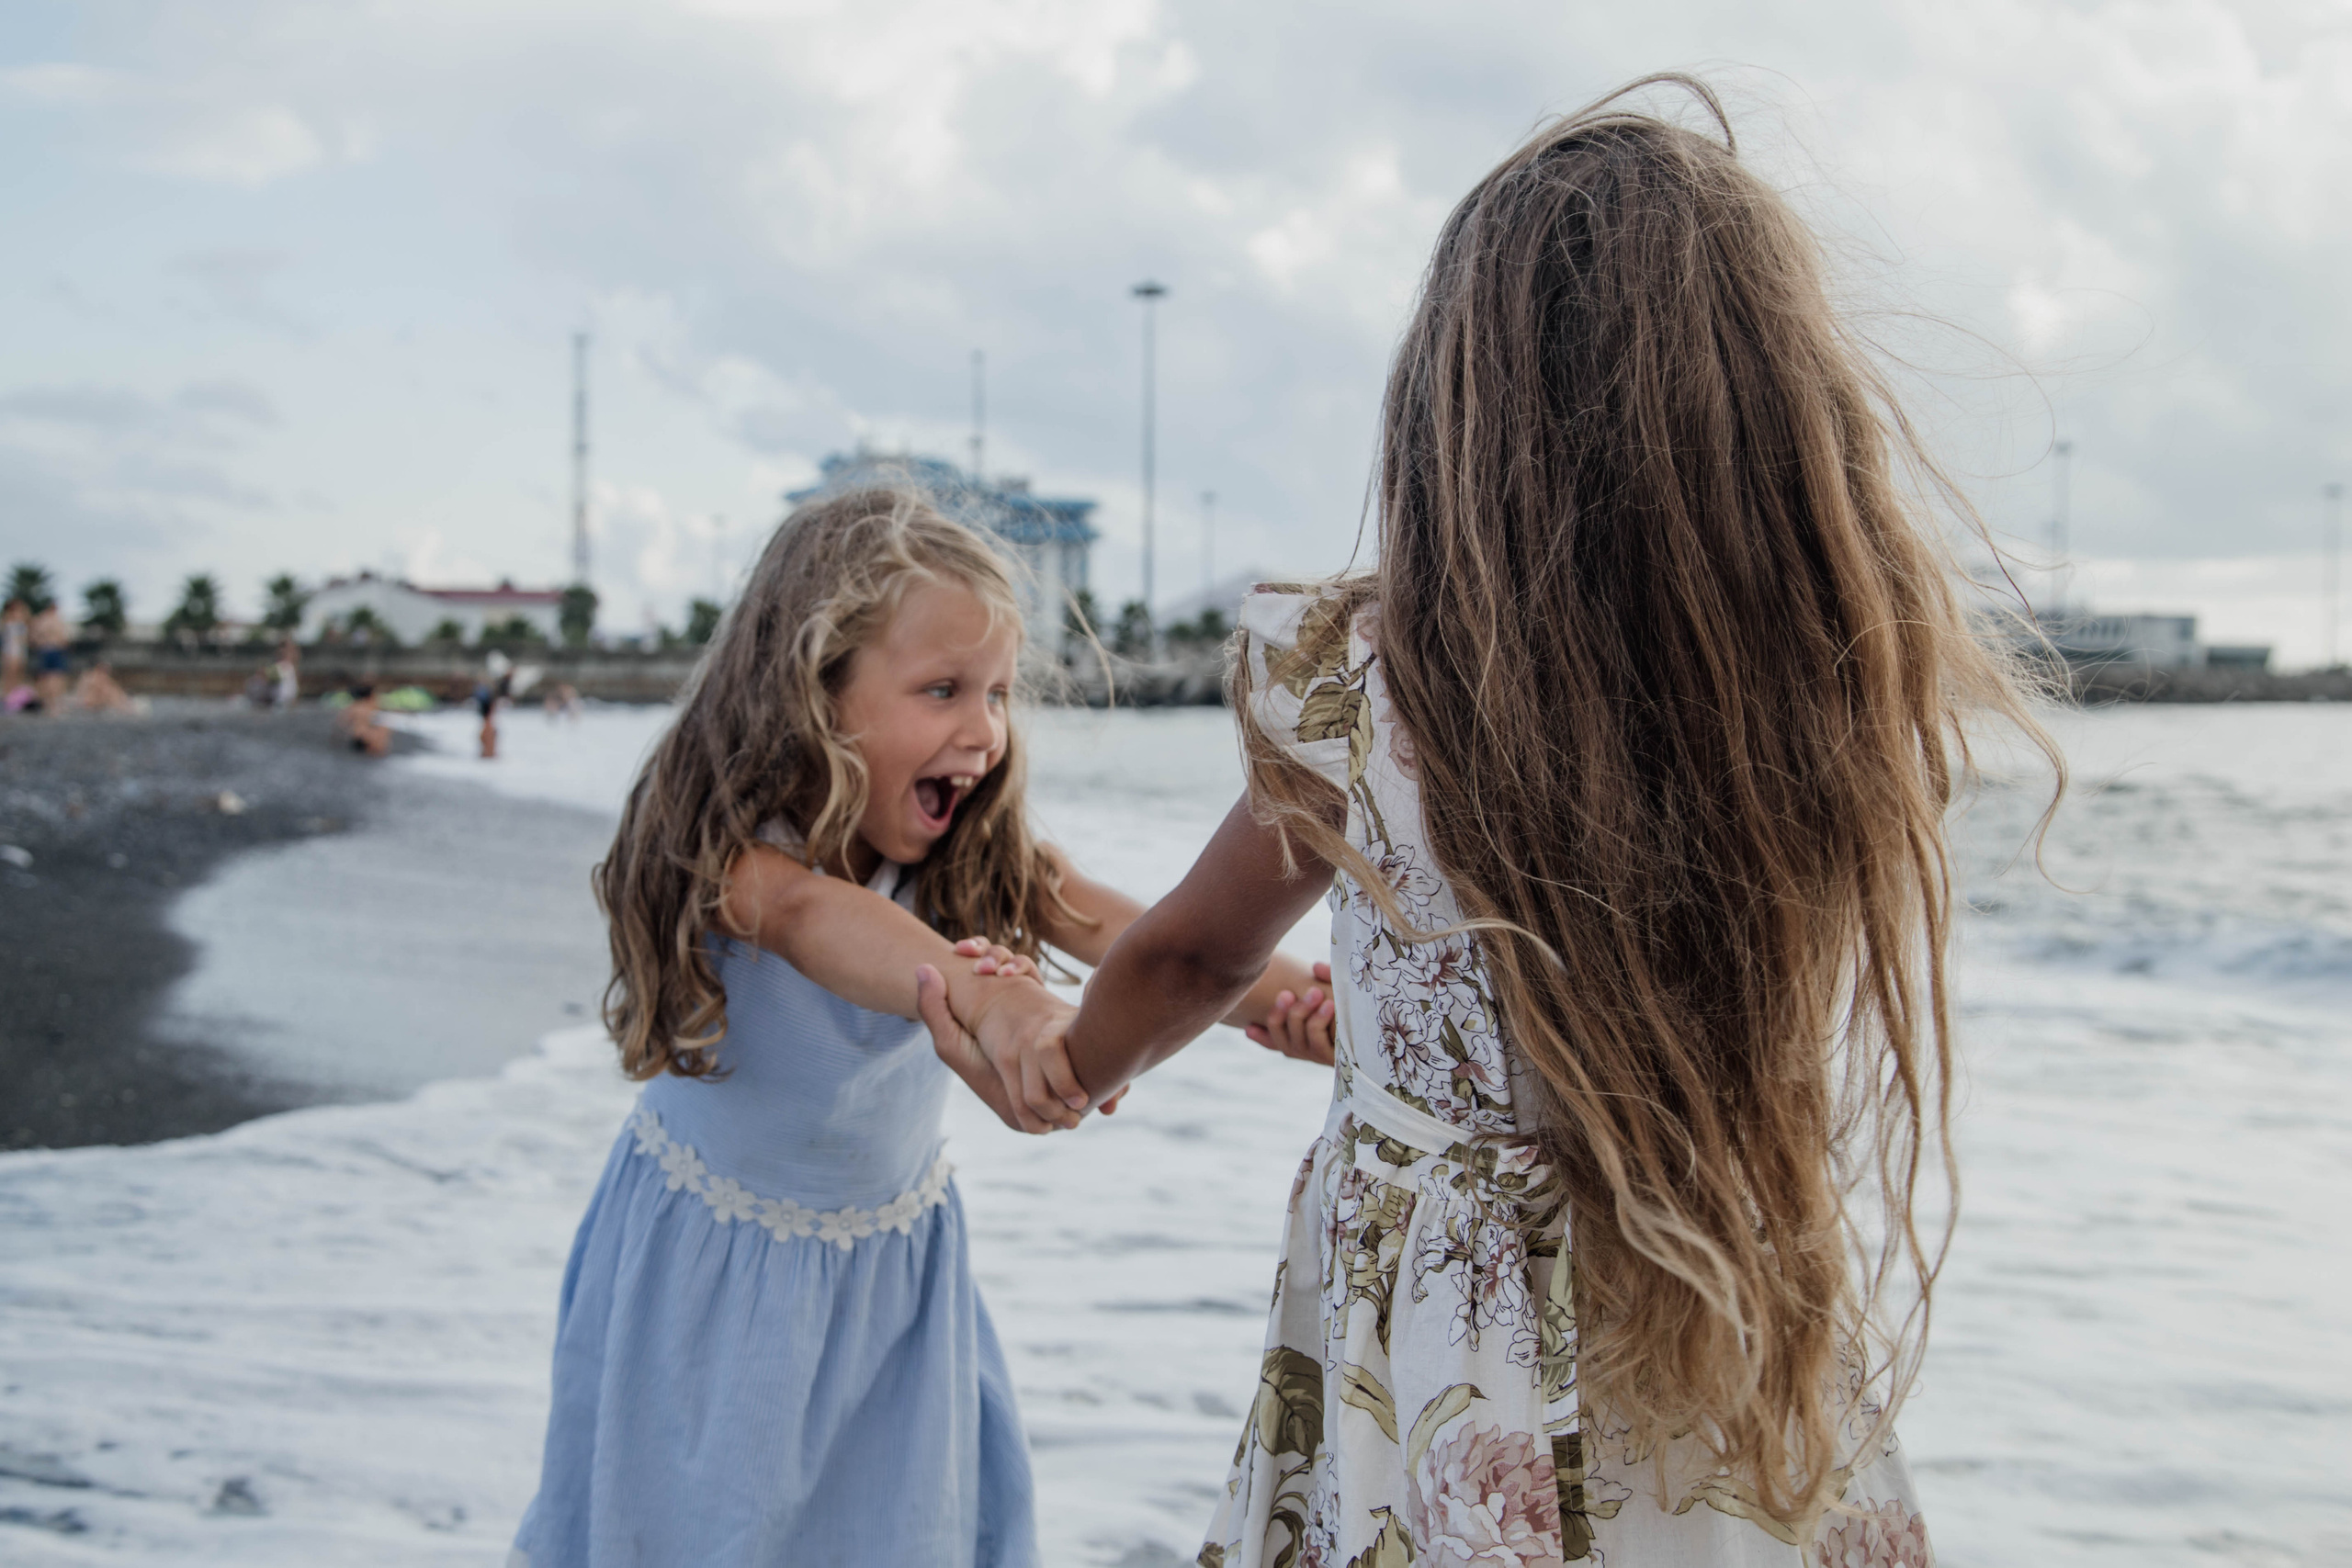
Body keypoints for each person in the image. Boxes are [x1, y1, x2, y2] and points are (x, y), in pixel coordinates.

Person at [934, 80, 2053, 1568]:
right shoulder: (1815, 681)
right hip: (1708, 1261)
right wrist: (1407, 1025)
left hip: (1453, 1349)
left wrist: (1066, 1059)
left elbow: (1197, 956)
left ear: (1456, 403)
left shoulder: (1352, 683)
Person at [509, 489, 1337, 1568]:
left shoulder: (970, 856)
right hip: (715, 1291)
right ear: (814, 694)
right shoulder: (739, 864)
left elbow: (1142, 937)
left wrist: (1302, 1003)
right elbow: (825, 924)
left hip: (893, 1285)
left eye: (995, 693)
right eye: (942, 689)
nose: (983, 728)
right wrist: (992, 999)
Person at [28, 601, 69, 715]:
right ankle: (55, 704)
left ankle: (48, 704)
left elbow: (33, 638)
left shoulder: (40, 619)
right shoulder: (55, 619)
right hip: (54, 650)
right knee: (55, 678)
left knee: (45, 678)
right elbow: (63, 638)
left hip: (44, 650)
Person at [338, 682, 391, 757]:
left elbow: (342, 724)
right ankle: (378, 752)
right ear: (370, 696)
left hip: (356, 737)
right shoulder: (370, 707)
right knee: (383, 729)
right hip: (365, 738)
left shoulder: (354, 706)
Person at [1, 598, 27, 698]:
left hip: (20, 650)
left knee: (18, 674)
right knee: (9, 675)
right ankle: (6, 695)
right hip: (10, 650)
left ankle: (14, 696)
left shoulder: (22, 619)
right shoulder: (7, 619)